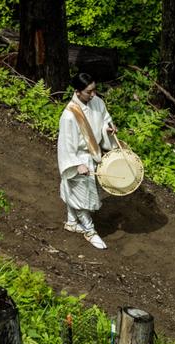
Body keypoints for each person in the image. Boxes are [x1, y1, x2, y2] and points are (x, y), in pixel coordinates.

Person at [57, 73, 116, 250]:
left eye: (94, 89)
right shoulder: (69, 115)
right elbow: (66, 145)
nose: (93, 94)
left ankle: (72, 222)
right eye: (89, 91)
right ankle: (89, 230)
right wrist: (76, 164)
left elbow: (104, 119)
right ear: (77, 91)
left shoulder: (97, 102)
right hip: (78, 158)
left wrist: (109, 128)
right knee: (81, 195)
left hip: (93, 153)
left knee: (80, 193)